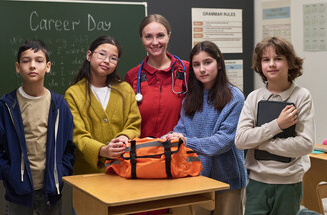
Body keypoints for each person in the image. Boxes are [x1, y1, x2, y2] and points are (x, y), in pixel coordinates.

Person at [0, 39, 75, 215]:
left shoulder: (59, 105)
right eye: (26, 61)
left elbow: (69, 148)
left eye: (39, 60)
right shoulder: (7, 106)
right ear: (18, 67)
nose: (32, 65)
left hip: (51, 194)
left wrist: (61, 173)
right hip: (18, 196)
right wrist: (11, 174)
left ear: (48, 66)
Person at [235, 36, 316, 215]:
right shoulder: (254, 98)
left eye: (278, 58)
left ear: (290, 63)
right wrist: (277, 125)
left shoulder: (302, 96)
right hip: (256, 182)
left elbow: (305, 144)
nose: (271, 64)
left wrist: (261, 143)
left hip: (289, 184)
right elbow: (241, 140)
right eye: (266, 59)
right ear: (260, 65)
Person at [164, 41, 247, 215]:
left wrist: (186, 141)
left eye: (207, 62)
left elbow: (223, 141)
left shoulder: (235, 97)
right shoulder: (190, 98)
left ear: (219, 63)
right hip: (197, 178)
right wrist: (173, 136)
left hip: (227, 180)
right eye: (196, 65)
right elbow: (182, 129)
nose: (202, 69)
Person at [64, 35, 141, 175]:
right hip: (87, 173)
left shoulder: (125, 90)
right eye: (102, 54)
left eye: (113, 58)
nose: (106, 61)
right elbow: (77, 135)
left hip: (123, 169)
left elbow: (134, 124)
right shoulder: (73, 94)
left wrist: (124, 136)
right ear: (89, 55)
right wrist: (102, 150)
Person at [125, 14, 189, 139]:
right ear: (141, 39)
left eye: (160, 35)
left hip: (178, 151)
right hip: (143, 153)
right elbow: (127, 122)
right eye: (148, 37)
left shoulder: (187, 70)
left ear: (169, 36)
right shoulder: (132, 76)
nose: (155, 42)